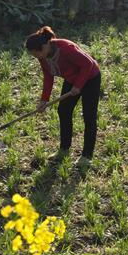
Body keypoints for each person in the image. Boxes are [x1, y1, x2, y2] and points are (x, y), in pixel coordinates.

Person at [25, 26, 101, 165]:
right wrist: (44, 100)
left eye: (37, 54)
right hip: (72, 79)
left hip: (90, 78)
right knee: (64, 110)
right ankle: (64, 149)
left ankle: (86, 157)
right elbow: (48, 76)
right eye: (34, 55)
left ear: (45, 45)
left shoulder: (66, 48)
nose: (37, 57)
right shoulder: (42, 56)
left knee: (89, 116)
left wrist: (78, 86)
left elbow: (88, 64)